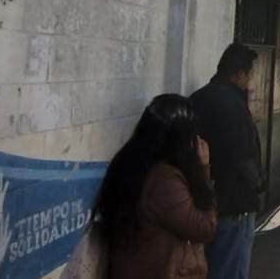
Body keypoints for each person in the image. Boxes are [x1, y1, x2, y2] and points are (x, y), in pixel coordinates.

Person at [92, 94, 217, 279]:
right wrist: (203, 170)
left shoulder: (129, 162)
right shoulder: (164, 181)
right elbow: (205, 228)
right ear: (181, 138)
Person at [191, 42, 264, 279]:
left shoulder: (198, 98)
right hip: (235, 204)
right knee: (231, 270)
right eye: (250, 73)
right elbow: (242, 155)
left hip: (206, 200)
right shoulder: (231, 104)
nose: (250, 80)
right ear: (240, 73)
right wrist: (257, 184)